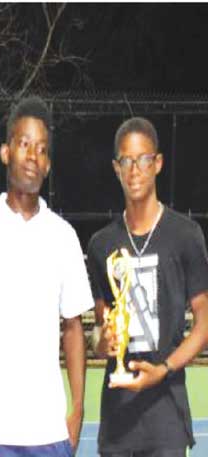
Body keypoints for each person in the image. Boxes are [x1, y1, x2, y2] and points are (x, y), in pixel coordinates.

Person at [0, 97, 91, 457]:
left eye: (41, 149)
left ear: (48, 165)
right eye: (24, 144)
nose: (32, 155)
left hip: (49, 431)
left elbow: (73, 328)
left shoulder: (64, 236)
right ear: (5, 152)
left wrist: (76, 409)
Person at [86, 117, 208, 456]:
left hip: (166, 415)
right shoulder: (101, 244)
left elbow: (204, 323)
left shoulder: (185, 235)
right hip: (118, 420)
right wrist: (103, 341)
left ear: (157, 164)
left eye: (142, 159)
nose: (134, 169)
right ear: (116, 168)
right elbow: (99, 331)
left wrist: (165, 368)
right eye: (126, 160)